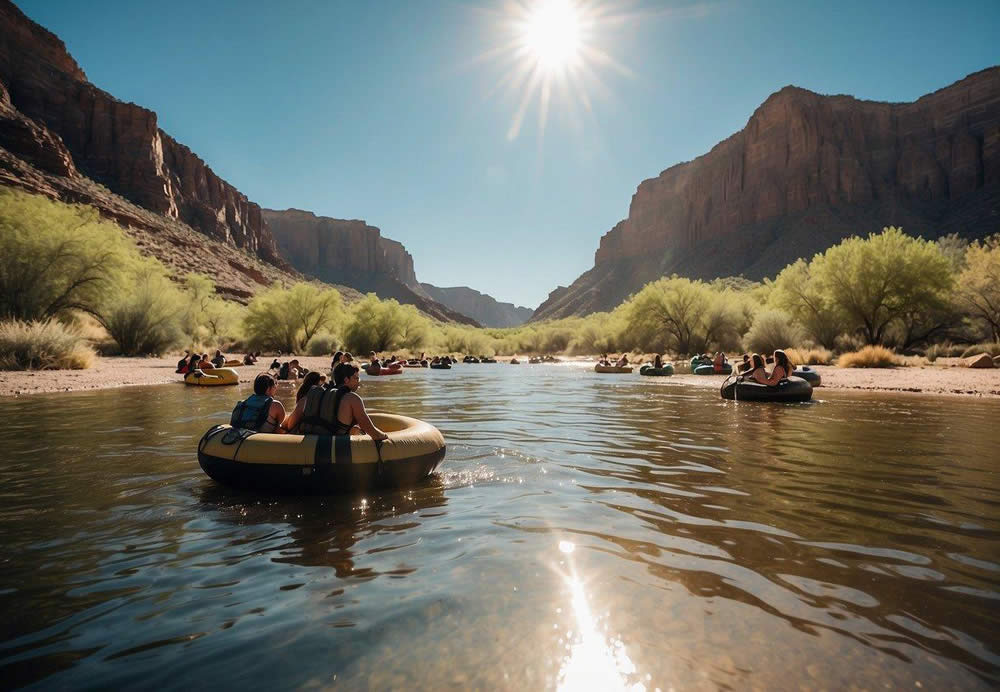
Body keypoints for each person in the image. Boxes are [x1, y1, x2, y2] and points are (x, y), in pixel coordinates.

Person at [283, 363, 389, 440]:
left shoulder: (317, 394)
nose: (358, 382)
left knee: (355, 429)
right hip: (331, 451)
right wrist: (387, 437)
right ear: (346, 380)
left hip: (307, 444)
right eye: (356, 378)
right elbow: (372, 432)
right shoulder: (353, 399)